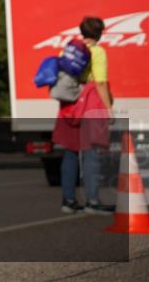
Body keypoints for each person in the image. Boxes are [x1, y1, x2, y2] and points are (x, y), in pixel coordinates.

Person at [53, 16, 113, 215]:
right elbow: (100, 82)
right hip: (89, 104)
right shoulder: (97, 52)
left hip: (69, 104)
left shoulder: (68, 50)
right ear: (99, 33)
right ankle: (92, 201)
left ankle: (68, 201)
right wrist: (108, 108)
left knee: (70, 152)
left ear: (82, 31)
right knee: (90, 153)